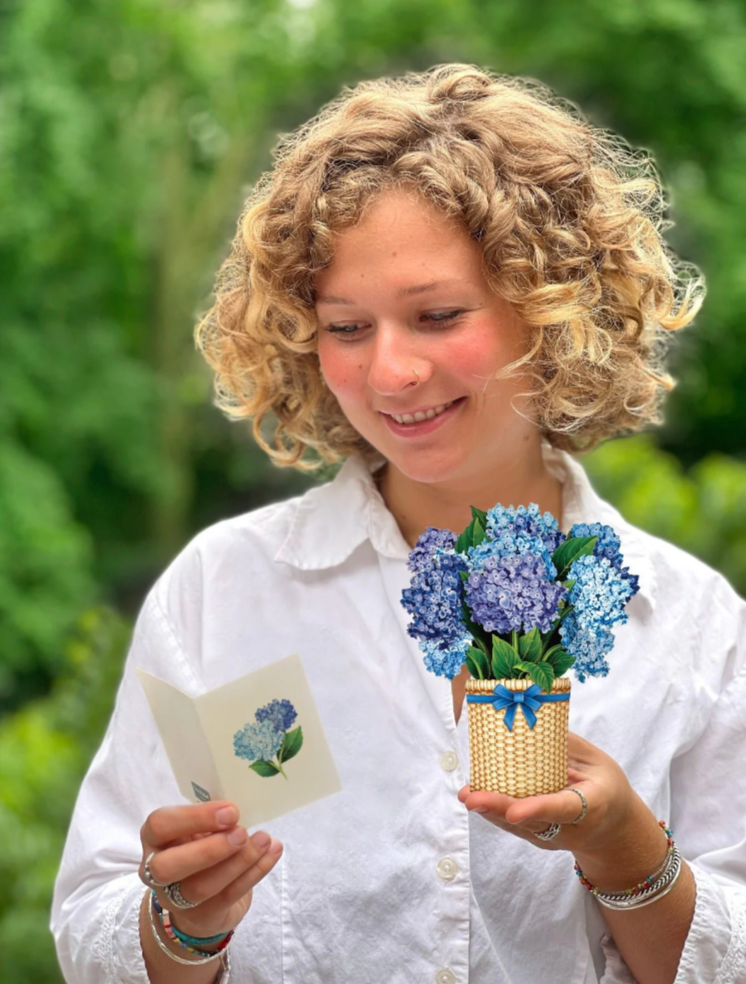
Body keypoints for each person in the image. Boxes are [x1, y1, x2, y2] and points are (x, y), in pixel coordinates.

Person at [51, 64, 746, 984]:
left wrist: (629, 856)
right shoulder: (226, 593)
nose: (390, 373)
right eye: (346, 327)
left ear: (553, 309)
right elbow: (95, 924)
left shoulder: (691, 626)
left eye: (438, 315)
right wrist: (184, 923)